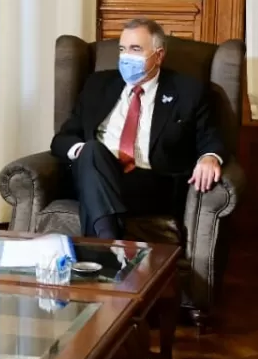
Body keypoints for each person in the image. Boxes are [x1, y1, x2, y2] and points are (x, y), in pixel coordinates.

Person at [51, 18, 226, 239]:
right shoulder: (97, 85)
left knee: (93, 191)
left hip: (148, 184)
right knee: (93, 152)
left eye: (135, 49)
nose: (126, 57)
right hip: (93, 170)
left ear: (159, 55)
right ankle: (110, 248)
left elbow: (211, 139)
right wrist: (82, 153)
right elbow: (62, 139)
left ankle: (106, 251)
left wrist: (210, 157)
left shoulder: (188, 91)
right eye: (122, 49)